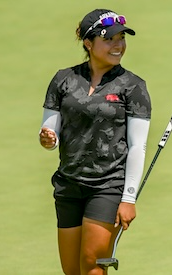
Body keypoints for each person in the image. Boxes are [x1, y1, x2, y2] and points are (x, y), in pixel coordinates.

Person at [39, 9, 151, 275]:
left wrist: (128, 198)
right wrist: (47, 138)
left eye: (121, 38)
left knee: (92, 266)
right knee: (71, 270)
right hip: (68, 185)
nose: (118, 45)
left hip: (107, 186)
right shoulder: (63, 79)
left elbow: (138, 146)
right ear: (88, 43)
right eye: (109, 39)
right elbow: (50, 134)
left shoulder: (132, 86)